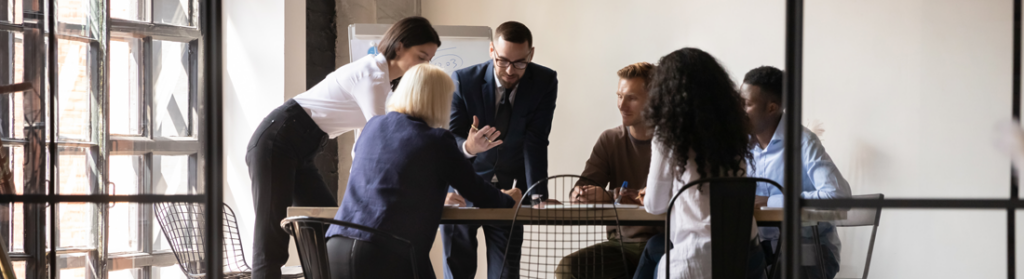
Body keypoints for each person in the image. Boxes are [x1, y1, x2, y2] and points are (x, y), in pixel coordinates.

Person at [245, 16, 441, 279]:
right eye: (421, 57)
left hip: (302, 147)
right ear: (400, 47)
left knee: (330, 231)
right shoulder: (372, 75)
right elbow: (380, 143)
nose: (425, 66)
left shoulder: (383, 82)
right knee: (271, 241)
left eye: (429, 60)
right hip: (277, 139)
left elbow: (362, 145)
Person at [324, 64, 523, 279]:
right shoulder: (436, 139)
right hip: (387, 253)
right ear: (438, 101)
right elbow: (475, 190)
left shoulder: (372, 126)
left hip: (334, 248)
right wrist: (507, 199)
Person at [441, 21, 559, 279]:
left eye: (519, 63)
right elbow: (450, 139)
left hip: (509, 191)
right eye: (503, 60)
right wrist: (469, 147)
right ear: (492, 50)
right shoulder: (463, 80)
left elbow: (536, 140)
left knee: (506, 273)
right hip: (463, 186)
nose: (510, 70)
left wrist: (537, 195)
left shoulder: (544, 81)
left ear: (531, 54)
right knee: (457, 270)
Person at [642, 47, 766, 279]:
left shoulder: (668, 135)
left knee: (655, 251)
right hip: (747, 254)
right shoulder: (734, 129)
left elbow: (655, 205)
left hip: (697, 258)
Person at [740, 66, 851, 279]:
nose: (739, 110)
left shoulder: (803, 142)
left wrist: (770, 200)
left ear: (772, 108)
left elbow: (839, 197)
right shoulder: (739, 147)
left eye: (747, 104)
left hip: (808, 254)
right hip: (761, 252)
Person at [554, 62, 660, 279]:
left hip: (664, 245)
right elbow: (580, 189)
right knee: (568, 268)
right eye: (619, 96)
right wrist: (581, 195)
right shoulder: (610, 140)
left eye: (631, 98)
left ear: (654, 100)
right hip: (621, 247)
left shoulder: (672, 142)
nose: (621, 105)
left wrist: (609, 196)